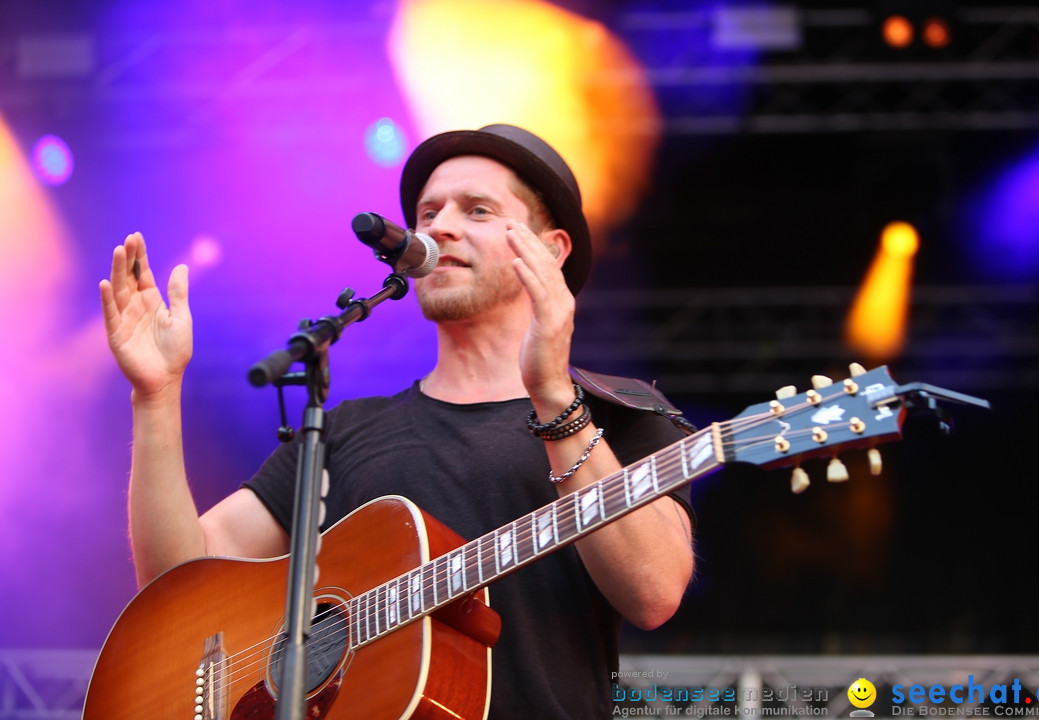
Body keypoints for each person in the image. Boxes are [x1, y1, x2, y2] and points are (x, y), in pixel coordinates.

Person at [100, 124, 695, 718]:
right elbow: (175, 583)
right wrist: (155, 397)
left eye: (478, 210)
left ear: (551, 249)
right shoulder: (342, 432)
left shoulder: (619, 413)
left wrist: (551, 393)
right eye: (428, 212)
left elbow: (654, 592)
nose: (439, 227)